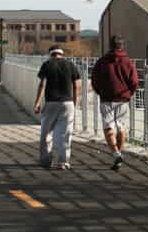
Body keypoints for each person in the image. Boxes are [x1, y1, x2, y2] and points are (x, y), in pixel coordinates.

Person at [92, 35, 138, 170]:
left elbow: (95, 80)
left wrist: (100, 91)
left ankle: (115, 153)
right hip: (123, 99)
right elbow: (134, 81)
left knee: (108, 126)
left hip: (106, 98)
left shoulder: (102, 61)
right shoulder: (128, 62)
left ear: (110, 46)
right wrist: (129, 93)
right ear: (122, 46)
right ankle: (119, 154)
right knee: (121, 127)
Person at [34, 47, 81, 170]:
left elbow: (42, 84)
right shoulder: (70, 65)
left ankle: (46, 160)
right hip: (68, 103)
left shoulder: (47, 65)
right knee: (65, 134)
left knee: (46, 133)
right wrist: (74, 103)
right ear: (61, 54)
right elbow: (76, 86)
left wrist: (37, 103)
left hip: (51, 103)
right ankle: (63, 162)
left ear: (50, 54)